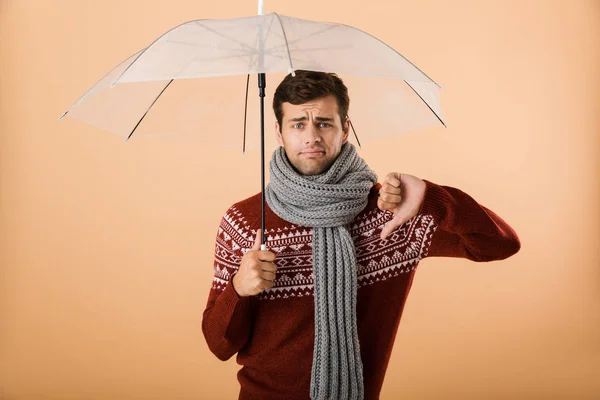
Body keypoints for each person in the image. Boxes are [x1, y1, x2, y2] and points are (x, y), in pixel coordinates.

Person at [202, 70, 520, 400]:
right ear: (279, 134)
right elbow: (219, 344)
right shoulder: (244, 221)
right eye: (298, 124)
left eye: (324, 123)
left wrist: (432, 197)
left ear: (345, 130)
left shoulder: (390, 215)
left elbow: (499, 244)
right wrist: (239, 289)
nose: (311, 137)